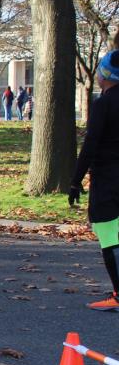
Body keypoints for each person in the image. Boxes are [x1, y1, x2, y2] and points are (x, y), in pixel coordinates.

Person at [70, 50, 119, 310]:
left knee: (109, 236)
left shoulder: (103, 104)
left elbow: (90, 145)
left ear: (106, 74)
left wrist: (75, 181)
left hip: (108, 179)